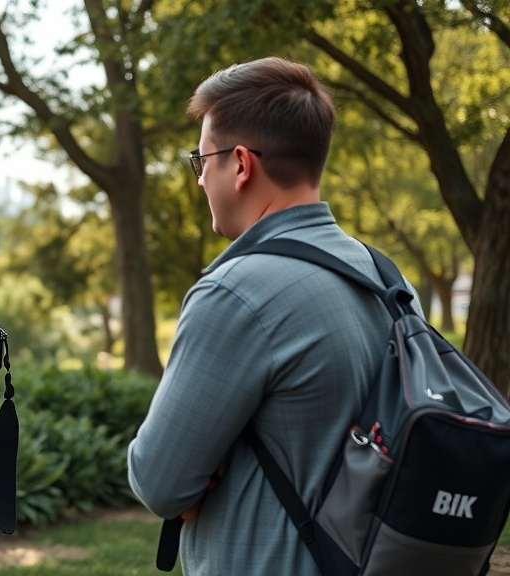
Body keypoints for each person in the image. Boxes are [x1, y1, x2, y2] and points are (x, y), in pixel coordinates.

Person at [127, 57, 419, 575]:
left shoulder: (236, 292)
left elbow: (160, 482)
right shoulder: (387, 278)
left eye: (201, 161)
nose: (199, 180)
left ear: (240, 164)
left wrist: (198, 478)